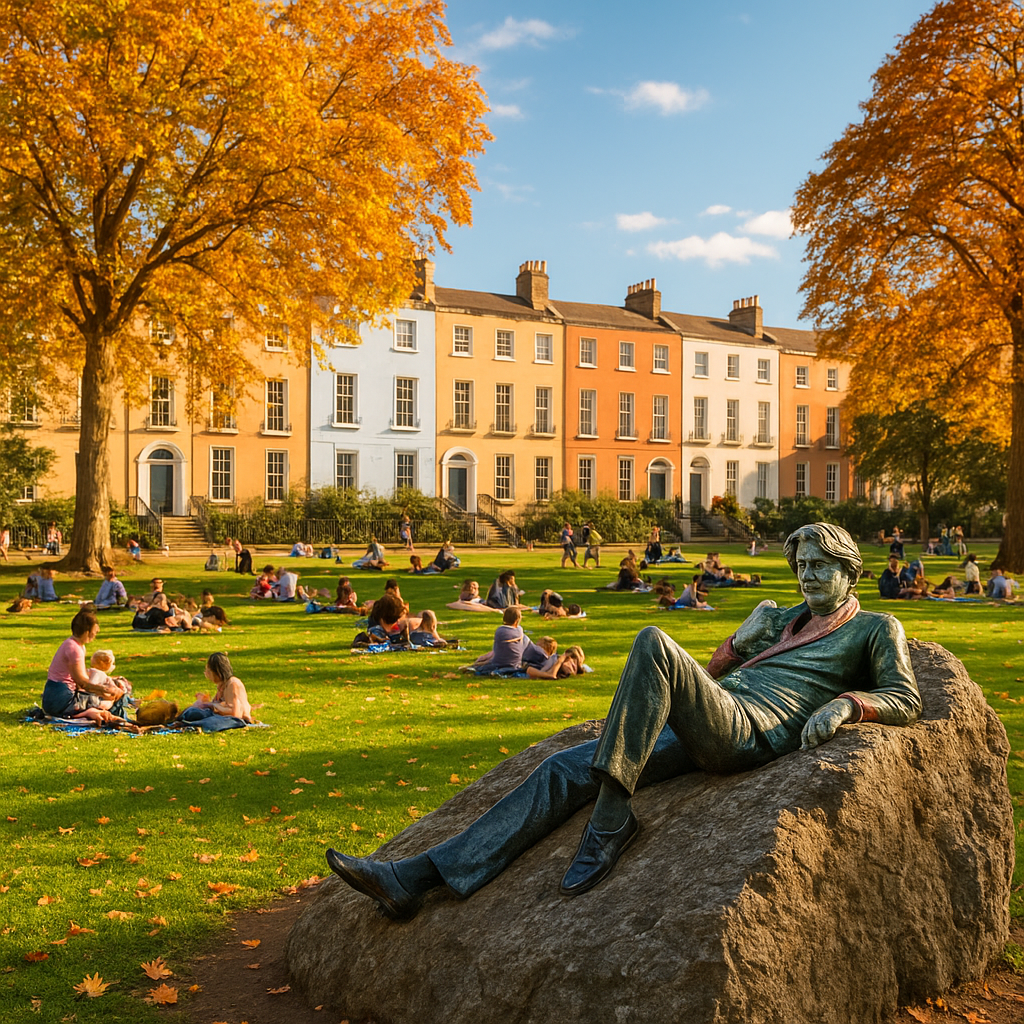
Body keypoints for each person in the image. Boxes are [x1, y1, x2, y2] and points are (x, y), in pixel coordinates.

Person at [327, 523, 921, 919]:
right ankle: (415, 878)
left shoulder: (874, 629)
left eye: (821, 567)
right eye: (803, 566)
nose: (808, 577)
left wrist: (849, 704)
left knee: (653, 641)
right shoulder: (784, 617)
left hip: (752, 732)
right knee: (563, 768)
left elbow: (904, 696)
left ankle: (611, 822)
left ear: (850, 571)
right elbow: (710, 680)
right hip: (710, 717)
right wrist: (738, 644)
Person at [42, 610, 132, 725]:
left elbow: (80, 683)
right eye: (95, 631)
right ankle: (122, 720)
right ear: (87, 631)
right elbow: (83, 682)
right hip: (61, 700)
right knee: (112, 697)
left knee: (106, 695)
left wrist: (100, 690)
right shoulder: (74, 649)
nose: (96, 634)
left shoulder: (75, 645)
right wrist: (106, 690)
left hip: (55, 697)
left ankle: (108, 715)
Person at [180, 652, 253, 730]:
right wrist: (203, 702)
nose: (206, 674)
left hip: (236, 720)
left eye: (208, 670)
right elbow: (217, 705)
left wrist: (211, 705)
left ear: (216, 672)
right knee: (192, 712)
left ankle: (190, 725)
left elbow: (235, 713)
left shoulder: (233, 684)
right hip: (222, 717)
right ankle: (184, 721)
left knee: (211, 722)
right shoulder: (222, 685)